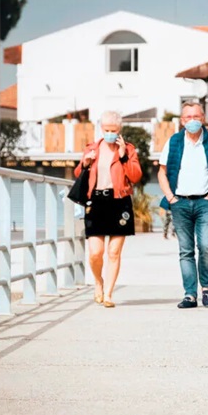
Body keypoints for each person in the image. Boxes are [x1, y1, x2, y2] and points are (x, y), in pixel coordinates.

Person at [158, 101, 208, 309]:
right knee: (186, 250)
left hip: (205, 202)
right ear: (182, 120)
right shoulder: (174, 142)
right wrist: (171, 197)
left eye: (196, 117)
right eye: (188, 118)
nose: (192, 121)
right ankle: (190, 294)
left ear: (203, 118)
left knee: (207, 245)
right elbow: (162, 172)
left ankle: (206, 287)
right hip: (180, 202)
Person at [75, 111, 142, 308]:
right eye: (106, 130)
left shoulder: (128, 150)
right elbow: (78, 174)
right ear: (101, 129)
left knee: (114, 252)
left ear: (119, 130)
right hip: (96, 202)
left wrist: (123, 157)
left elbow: (136, 176)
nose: (110, 133)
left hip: (119, 202)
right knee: (96, 252)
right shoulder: (92, 148)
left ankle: (109, 293)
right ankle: (98, 282)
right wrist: (86, 163)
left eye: (114, 130)